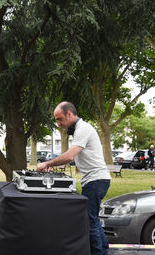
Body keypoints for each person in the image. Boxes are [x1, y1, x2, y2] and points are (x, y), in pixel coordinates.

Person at [36, 101, 111, 255]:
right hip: (96, 180)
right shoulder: (80, 129)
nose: (58, 124)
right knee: (93, 219)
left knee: (89, 221)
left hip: (96, 180)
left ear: (69, 114)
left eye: (59, 119)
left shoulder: (83, 129)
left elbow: (70, 156)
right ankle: (104, 251)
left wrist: (46, 164)